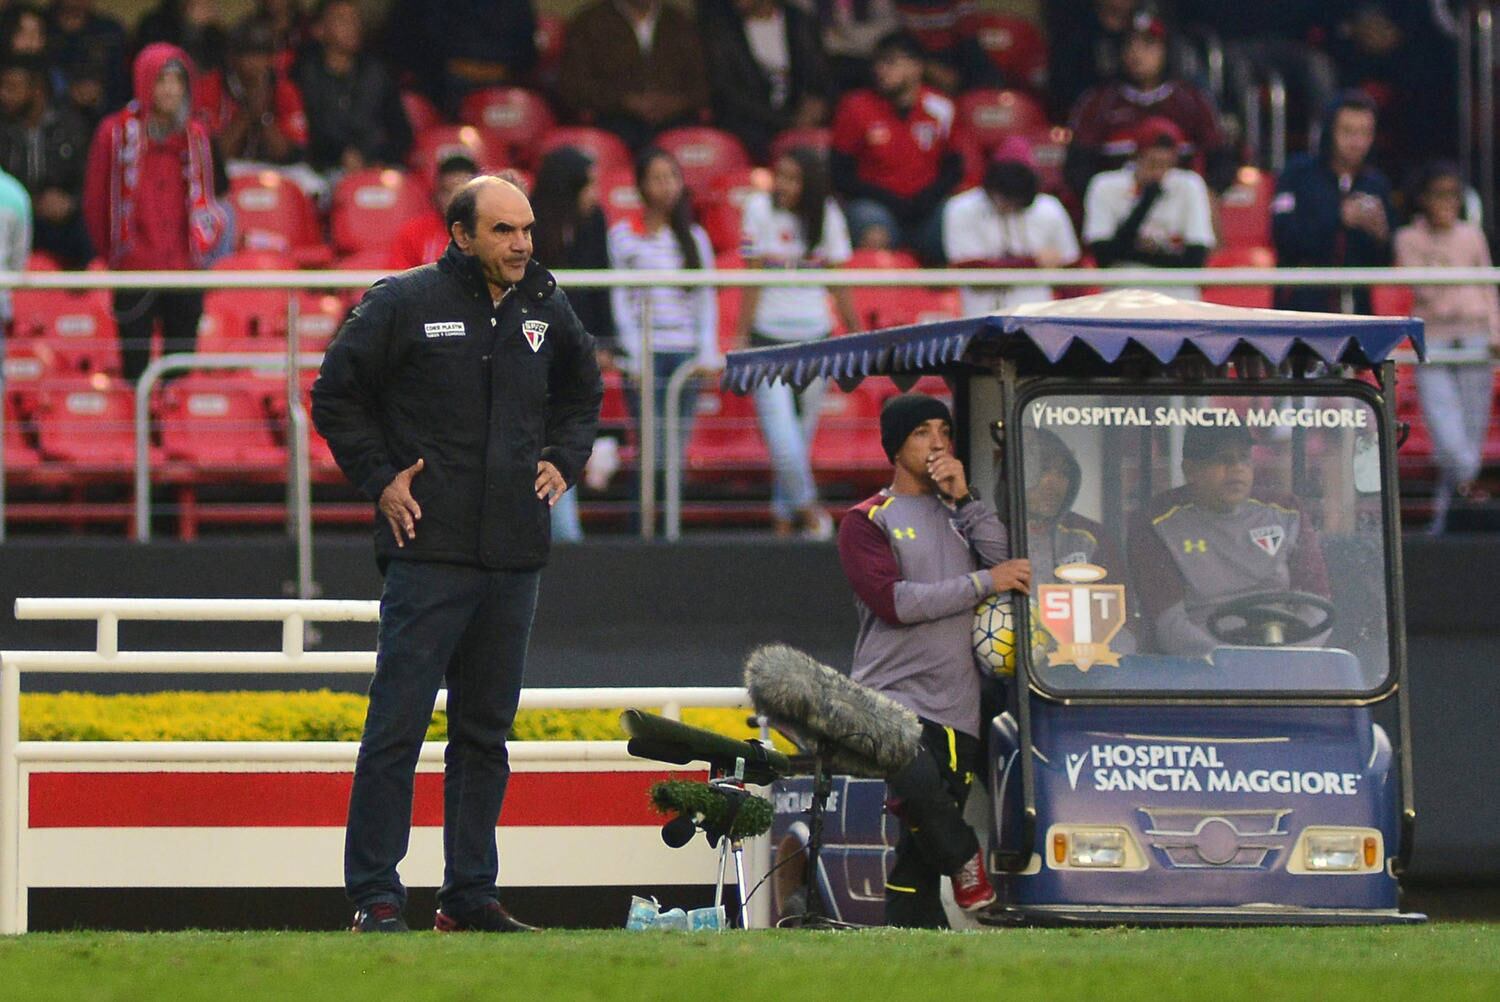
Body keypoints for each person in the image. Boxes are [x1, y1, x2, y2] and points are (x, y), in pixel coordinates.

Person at [311, 175, 603, 933]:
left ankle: (468, 895)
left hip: (513, 554)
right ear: (461, 235)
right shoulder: (403, 301)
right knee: (397, 726)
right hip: (427, 548)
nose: (522, 246)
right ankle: (376, 896)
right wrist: (380, 479)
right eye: (504, 231)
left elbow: (585, 390)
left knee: (485, 734)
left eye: (528, 230)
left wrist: (566, 458)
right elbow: (333, 392)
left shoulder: (547, 304)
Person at [838, 393, 1030, 927]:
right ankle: (967, 861)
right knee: (923, 793)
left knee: (919, 844)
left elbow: (1012, 560)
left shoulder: (960, 514)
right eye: (923, 431)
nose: (938, 441)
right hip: (887, 696)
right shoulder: (865, 520)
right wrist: (985, 582)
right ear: (895, 446)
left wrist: (966, 498)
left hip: (958, 702)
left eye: (944, 429)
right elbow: (896, 604)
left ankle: (917, 934)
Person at [82, 42, 231, 382]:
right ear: (145, 81)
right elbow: (95, 201)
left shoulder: (198, 137)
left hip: (185, 269)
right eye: (162, 80)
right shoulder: (114, 133)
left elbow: (211, 197)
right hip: (134, 270)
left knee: (180, 372)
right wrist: (116, 257)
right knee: (135, 371)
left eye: (178, 81)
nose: (170, 89)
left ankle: (175, 433)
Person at [735, 147, 856, 538]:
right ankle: (812, 515)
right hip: (767, 339)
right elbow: (751, 278)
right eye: (779, 176)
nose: (782, 185)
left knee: (798, 443)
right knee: (783, 438)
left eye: (792, 178)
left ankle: (783, 522)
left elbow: (838, 281)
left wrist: (855, 333)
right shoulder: (757, 208)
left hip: (816, 338)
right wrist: (740, 335)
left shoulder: (829, 214)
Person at [1129, 424, 1330, 659]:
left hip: (1286, 658)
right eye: (1222, 459)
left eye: (1244, 459)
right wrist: (1233, 665)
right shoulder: (1156, 522)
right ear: (1190, 470)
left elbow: (1317, 602)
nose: (1236, 469)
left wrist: (1289, 657)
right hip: (1198, 670)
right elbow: (1168, 624)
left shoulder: (1287, 511)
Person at [1394, 161, 1500, 534]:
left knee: (1470, 437)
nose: (1446, 203)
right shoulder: (1409, 238)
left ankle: (1443, 524)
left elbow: (1487, 285)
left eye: (1453, 195)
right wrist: (1442, 264)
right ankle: (1461, 510)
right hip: (1434, 342)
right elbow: (1424, 291)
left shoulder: (1472, 236)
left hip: (1475, 342)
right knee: (1453, 445)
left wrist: (1495, 330)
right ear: (1423, 199)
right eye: (1439, 195)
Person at [607, 147, 718, 500]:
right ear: (640, 186)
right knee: (650, 448)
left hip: (685, 353)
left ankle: (672, 532)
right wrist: (633, 353)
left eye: (672, 177)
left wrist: (706, 351)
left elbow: (705, 299)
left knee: (675, 449)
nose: (667, 186)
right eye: (657, 178)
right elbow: (620, 299)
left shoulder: (695, 238)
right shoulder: (623, 235)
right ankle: (642, 530)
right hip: (645, 354)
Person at [530, 145, 619, 542]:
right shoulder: (529, 222)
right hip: (537, 353)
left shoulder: (594, 220)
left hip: (577, 354)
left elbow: (599, 288)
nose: (595, 195)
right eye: (590, 186)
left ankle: (566, 536)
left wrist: (601, 342)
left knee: (559, 444)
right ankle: (565, 537)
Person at [1064, 10, 1233, 199]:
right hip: (1119, 204)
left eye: (1148, 44)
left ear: (1167, 50)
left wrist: (1209, 193)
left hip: (1178, 202)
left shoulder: (1192, 100)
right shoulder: (1097, 102)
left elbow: (1222, 163)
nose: (1136, 53)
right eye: (1129, 44)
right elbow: (1077, 169)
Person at [829, 32, 962, 258]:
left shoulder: (941, 107)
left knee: (958, 218)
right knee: (872, 226)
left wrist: (925, 201)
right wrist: (891, 201)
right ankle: (877, 292)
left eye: (890, 62)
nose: (881, 70)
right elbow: (841, 174)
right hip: (876, 205)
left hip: (926, 207)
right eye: (878, 63)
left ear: (916, 66)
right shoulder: (856, 107)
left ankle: (948, 292)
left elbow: (954, 169)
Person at [1271, 90, 1395, 315]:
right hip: (1302, 309)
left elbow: (1385, 262)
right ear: (1329, 132)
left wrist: (1382, 235)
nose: (1357, 142)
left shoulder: (1376, 184)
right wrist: (1339, 217)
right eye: (1348, 132)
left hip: (1358, 310)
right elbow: (1284, 238)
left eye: (1365, 133)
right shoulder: (1297, 174)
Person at [1082, 116, 1215, 301]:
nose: (1159, 173)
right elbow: (1104, 257)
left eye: (1166, 165)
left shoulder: (1190, 185)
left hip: (1177, 297)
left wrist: (1128, 250)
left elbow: (1195, 259)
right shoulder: (1104, 185)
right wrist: (1147, 199)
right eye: (1152, 163)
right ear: (1136, 157)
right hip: (1123, 296)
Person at [941, 145, 1080, 317]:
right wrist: (1033, 262)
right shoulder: (961, 208)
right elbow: (971, 271)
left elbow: (1072, 269)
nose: (1010, 207)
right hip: (980, 314)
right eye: (1005, 200)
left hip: (1039, 315)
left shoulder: (1049, 208)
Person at [558, 0, 709, 153]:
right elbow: (574, 86)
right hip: (615, 122)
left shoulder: (680, 21)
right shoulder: (588, 22)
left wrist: (673, 103)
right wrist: (626, 101)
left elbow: (702, 84)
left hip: (676, 122)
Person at [698, 0, 832, 163]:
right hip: (749, 131)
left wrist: (816, 103)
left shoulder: (799, 22)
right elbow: (727, 92)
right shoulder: (721, 27)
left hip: (800, 125)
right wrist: (786, 122)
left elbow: (821, 77)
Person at [294, 0, 411, 175]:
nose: (353, 27)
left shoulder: (377, 73)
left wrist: (377, 158)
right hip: (322, 170)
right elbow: (305, 131)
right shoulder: (303, 75)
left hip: (375, 167)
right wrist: (340, 154)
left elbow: (401, 133)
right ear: (319, 30)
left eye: (356, 20)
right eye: (343, 20)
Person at [0, 53, 93, 267]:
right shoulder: (3, 131)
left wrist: (70, 203)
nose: (4, 95)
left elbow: (92, 183)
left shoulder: (72, 127)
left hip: (65, 225)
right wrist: (31, 201)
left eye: (13, 88)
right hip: (17, 220)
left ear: (37, 90)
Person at [193, 18, 308, 167]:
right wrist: (247, 112)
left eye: (263, 55)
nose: (257, 63)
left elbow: (288, 155)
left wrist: (264, 117)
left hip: (273, 172)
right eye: (249, 55)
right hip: (225, 173)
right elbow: (213, 156)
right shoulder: (209, 87)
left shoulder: (284, 89)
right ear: (232, 57)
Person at [386, 152, 478, 271]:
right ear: (436, 194)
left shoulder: (490, 231)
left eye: (461, 192)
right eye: (446, 191)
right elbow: (397, 281)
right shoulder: (414, 232)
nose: (453, 199)